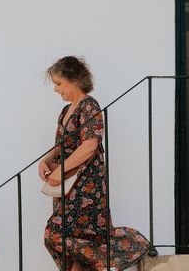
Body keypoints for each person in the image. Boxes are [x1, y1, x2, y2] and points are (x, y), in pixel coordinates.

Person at [40, 56, 150, 271]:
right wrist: (45, 161)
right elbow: (62, 145)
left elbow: (89, 146)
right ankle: (103, 261)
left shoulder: (89, 106)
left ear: (76, 79)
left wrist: (61, 169)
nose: (55, 89)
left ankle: (119, 251)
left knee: (55, 234)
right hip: (67, 186)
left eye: (59, 83)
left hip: (85, 185)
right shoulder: (66, 111)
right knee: (74, 245)